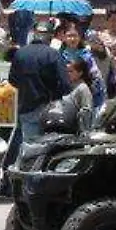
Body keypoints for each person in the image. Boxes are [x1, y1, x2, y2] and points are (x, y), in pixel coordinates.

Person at [5, 18, 70, 166]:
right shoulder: (53, 54)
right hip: (50, 108)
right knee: (44, 150)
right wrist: (57, 95)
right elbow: (65, 84)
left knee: (29, 146)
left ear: (34, 33)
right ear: (50, 36)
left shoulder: (20, 54)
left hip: (25, 107)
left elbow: (12, 81)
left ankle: (21, 177)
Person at [58, 59, 95, 133]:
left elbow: (87, 111)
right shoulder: (69, 87)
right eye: (67, 71)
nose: (68, 74)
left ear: (80, 73)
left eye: (71, 71)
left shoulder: (83, 88)